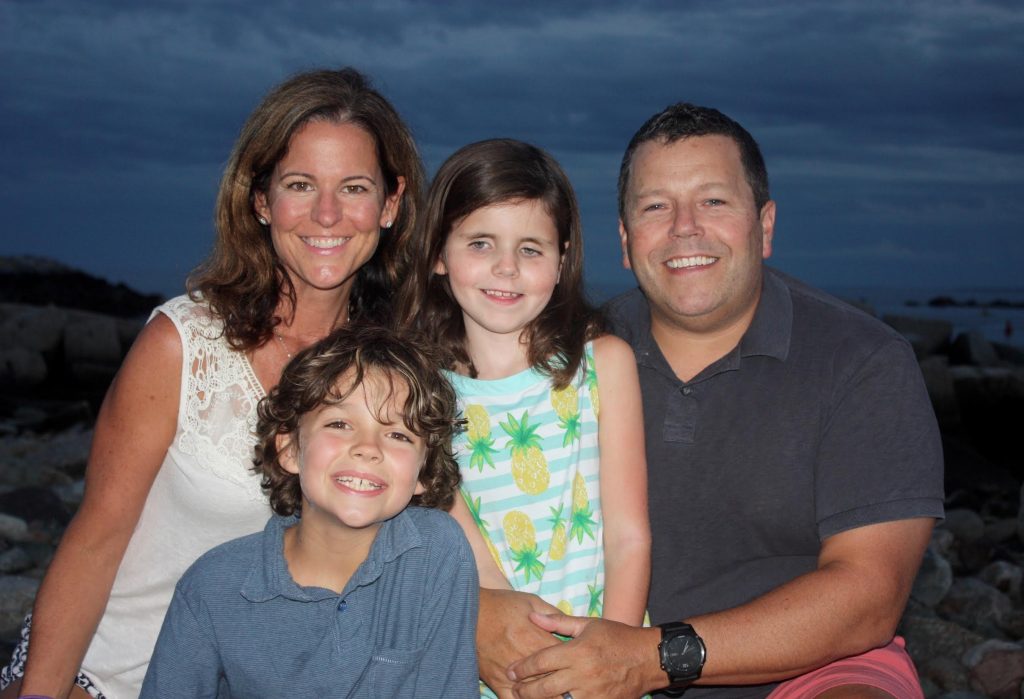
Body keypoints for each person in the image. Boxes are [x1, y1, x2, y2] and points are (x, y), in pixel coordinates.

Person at [484, 104, 945, 698]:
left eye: (714, 201)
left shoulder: (860, 359)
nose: (684, 228)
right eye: (655, 206)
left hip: (811, 668)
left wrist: (651, 658)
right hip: (587, 656)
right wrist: (477, 611)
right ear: (625, 241)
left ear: (765, 224)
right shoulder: (565, 355)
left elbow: (869, 595)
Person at [1, 67, 424, 699]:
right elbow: (94, 540)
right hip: (105, 676)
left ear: (390, 204)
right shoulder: (184, 345)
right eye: (300, 185)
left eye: (354, 187)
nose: (328, 214)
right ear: (261, 201)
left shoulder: (394, 373)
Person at [397, 138, 651, 698]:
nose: (506, 268)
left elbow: (629, 536)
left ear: (562, 260)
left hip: (605, 662)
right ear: (439, 254)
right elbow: (468, 559)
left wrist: (617, 652)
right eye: (481, 242)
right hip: (479, 672)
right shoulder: (413, 391)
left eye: (531, 249)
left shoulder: (603, 365)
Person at [139, 324, 479, 698]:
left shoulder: (436, 552)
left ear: (424, 472)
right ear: (289, 450)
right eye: (339, 423)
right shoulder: (210, 588)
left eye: (398, 435)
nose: (368, 448)